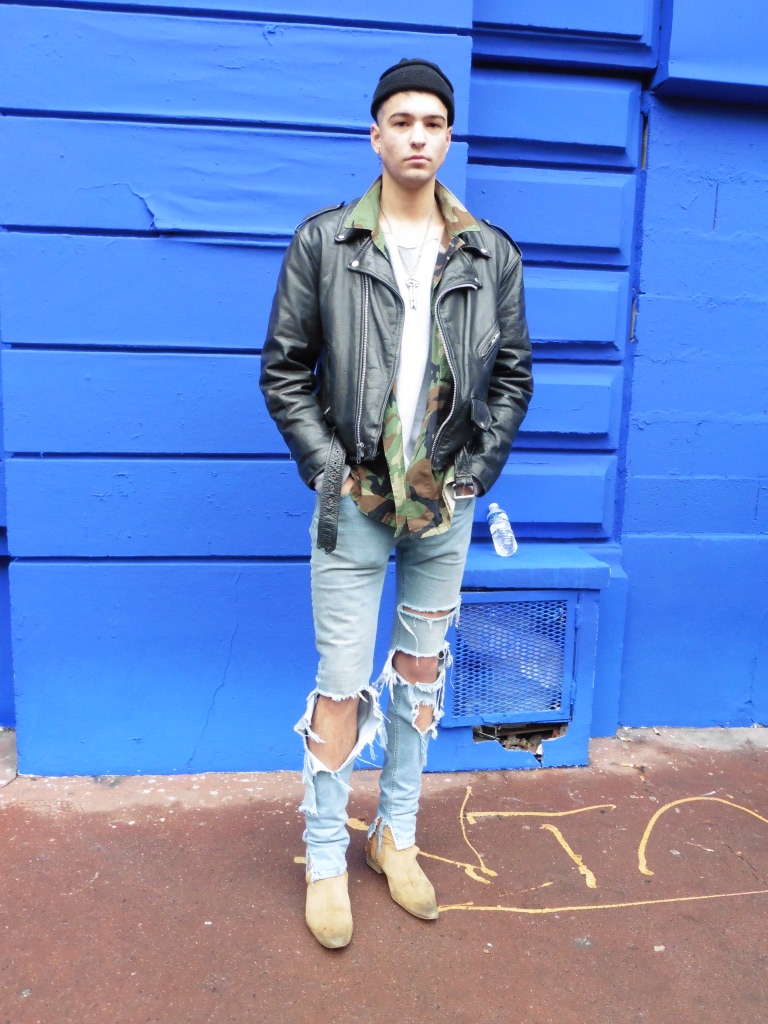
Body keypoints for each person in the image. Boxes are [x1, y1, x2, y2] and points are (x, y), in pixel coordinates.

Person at [260, 57, 533, 948]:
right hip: (353, 505)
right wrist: (329, 470)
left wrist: (474, 474)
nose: (419, 136)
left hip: (444, 505)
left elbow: (513, 378)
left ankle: (396, 837)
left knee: (420, 681)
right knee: (340, 685)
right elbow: (284, 371)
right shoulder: (326, 243)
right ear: (375, 136)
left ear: (449, 139)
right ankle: (324, 857)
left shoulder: (489, 253)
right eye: (403, 121)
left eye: (434, 123)